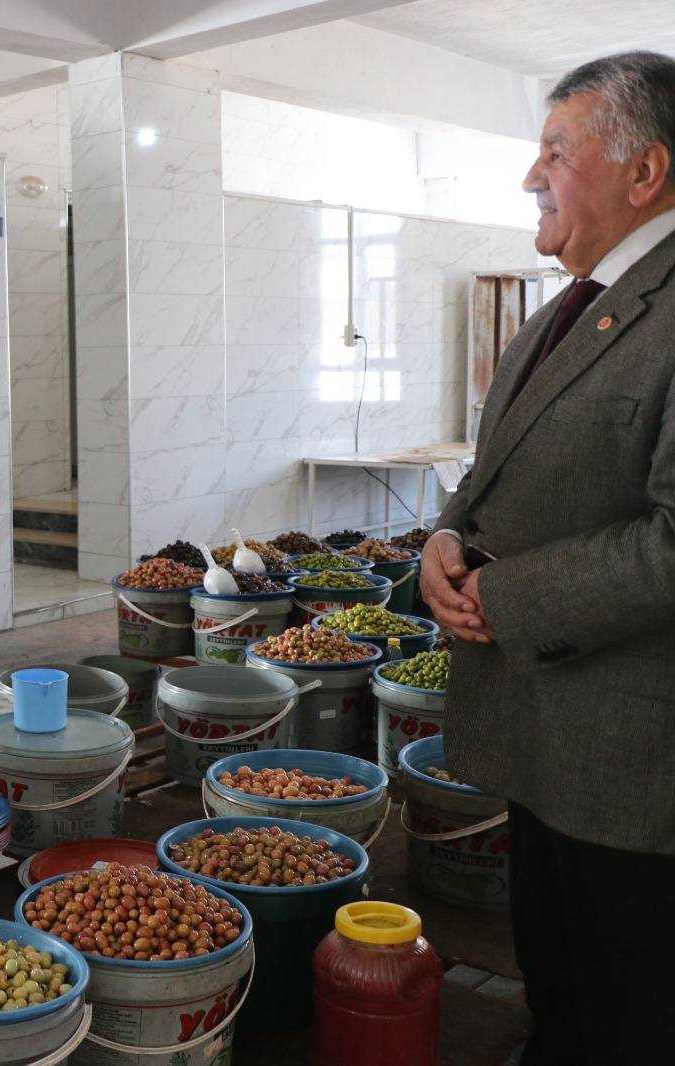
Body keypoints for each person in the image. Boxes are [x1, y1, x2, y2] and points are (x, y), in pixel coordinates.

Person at [419, 52, 675, 1065]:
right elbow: (494, 472)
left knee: (629, 1013)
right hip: (535, 735)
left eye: (556, 153)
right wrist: (445, 537)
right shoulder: (562, 311)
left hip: (632, 766)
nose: (532, 176)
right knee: (558, 993)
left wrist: (504, 594)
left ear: (645, 172)